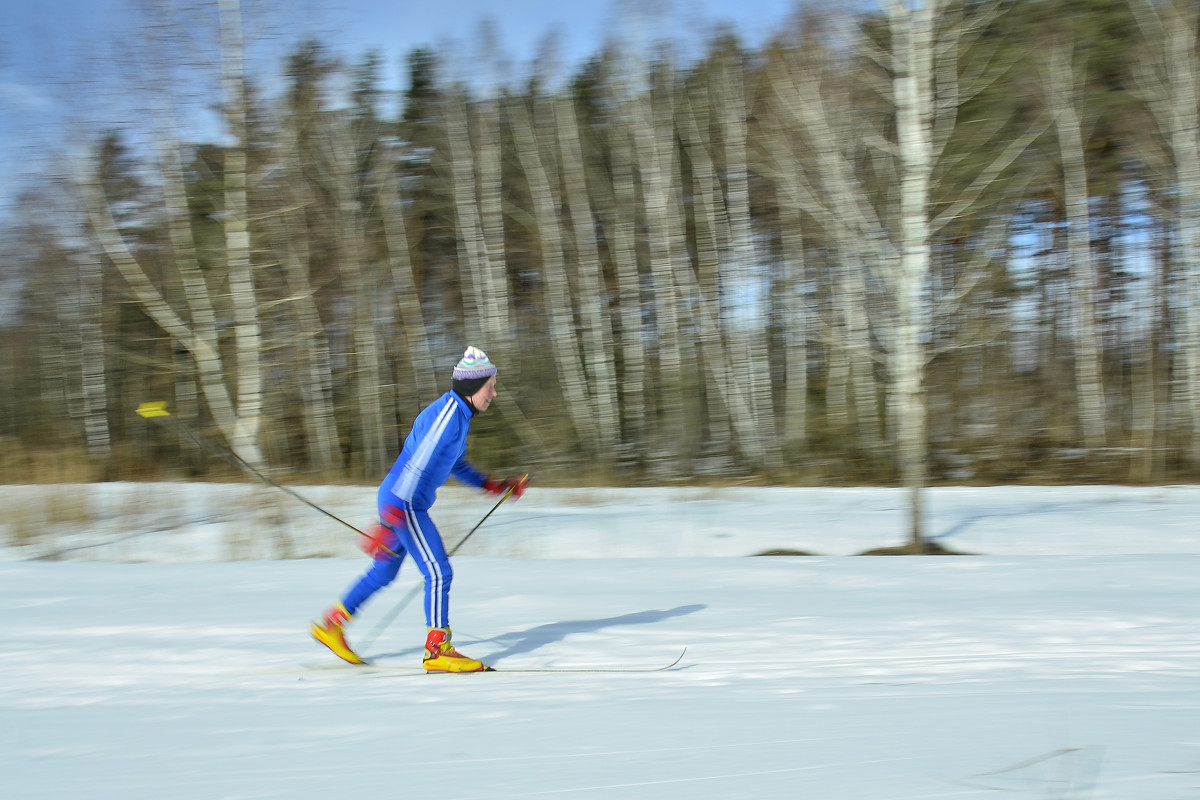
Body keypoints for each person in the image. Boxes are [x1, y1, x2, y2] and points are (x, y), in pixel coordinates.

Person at [310, 346, 528, 672]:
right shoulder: (447, 417)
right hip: (405, 501)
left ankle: (332, 625)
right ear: (472, 387)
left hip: (398, 500)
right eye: (490, 387)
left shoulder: (457, 417)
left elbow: (454, 464)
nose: (494, 394)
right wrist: (396, 513)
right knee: (439, 571)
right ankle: (438, 650)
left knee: (384, 571)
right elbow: (418, 462)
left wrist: (493, 485)